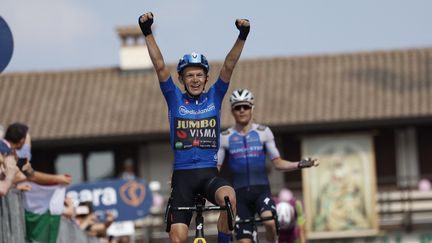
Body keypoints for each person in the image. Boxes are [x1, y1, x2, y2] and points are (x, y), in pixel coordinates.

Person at [138, 11, 250, 243]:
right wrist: (147, 32)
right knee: (177, 239)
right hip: (183, 177)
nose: (195, 79)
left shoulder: (215, 97)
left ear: (207, 78)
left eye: (200, 74)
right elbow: (159, 67)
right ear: (182, 79)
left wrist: (242, 36)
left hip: (209, 174)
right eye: (190, 75)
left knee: (229, 199)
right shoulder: (174, 98)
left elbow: (229, 66)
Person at [217, 89, 319, 243]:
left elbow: (277, 163)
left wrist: (299, 164)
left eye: (245, 106)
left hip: (261, 192)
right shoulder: (225, 137)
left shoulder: (264, 133)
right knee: (244, 241)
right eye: (237, 107)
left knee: (270, 222)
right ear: (232, 111)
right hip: (239, 196)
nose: (242, 110)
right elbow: (216, 167)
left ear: (252, 108)